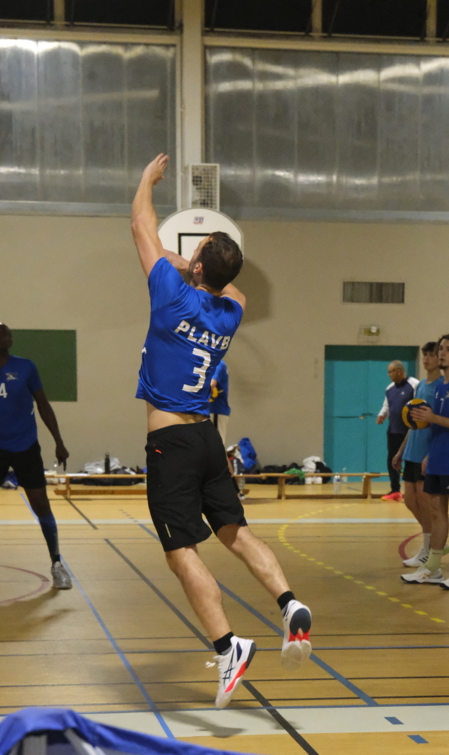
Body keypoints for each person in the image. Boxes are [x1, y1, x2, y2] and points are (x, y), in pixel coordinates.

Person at [131, 153, 312, 709]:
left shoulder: (171, 292)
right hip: (209, 439)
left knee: (180, 550)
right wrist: (199, 265)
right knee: (235, 532)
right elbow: (229, 289)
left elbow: (140, 225)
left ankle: (229, 646)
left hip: (171, 441)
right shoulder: (231, 310)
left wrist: (146, 182)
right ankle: (288, 603)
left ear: (196, 264)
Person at [0, 323, 72, 591]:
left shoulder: (27, 367)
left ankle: (57, 564)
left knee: (41, 505)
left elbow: (43, 405)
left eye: (3, 333)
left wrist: (59, 441)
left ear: (10, 340)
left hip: (25, 444)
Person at [401, 334, 449, 590]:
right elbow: (435, 427)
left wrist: (434, 418)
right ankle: (432, 568)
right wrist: (429, 455)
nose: (442, 353)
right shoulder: (440, 387)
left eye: (448, 349)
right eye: (440, 348)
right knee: (436, 513)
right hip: (437, 458)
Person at [393, 342, 446, 567]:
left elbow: (440, 423)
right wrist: (401, 450)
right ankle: (432, 542)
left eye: (431, 355)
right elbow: (413, 421)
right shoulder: (421, 385)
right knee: (410, 500)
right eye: (424, 354)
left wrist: (431, 453)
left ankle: (429, 549)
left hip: (427, 451)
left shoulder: (442, 387)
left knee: (426, 504)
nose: (426, 359)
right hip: (412, 451)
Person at [376, 360, 418, 500]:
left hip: (410, 431)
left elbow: (418, 403)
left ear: (399, 371)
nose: (389, 374)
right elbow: (387, 405)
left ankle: (413, 490)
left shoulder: (414, 384)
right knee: (392, 460)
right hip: (394, 430)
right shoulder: (389, 388)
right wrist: (382, 414)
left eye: (390, 371)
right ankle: (395, 490)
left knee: (411, 461)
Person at [210, 359, 230, 446]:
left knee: (216, 445)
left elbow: (211, 385)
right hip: (208, 410)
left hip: (216, 410)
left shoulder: (218, 364)